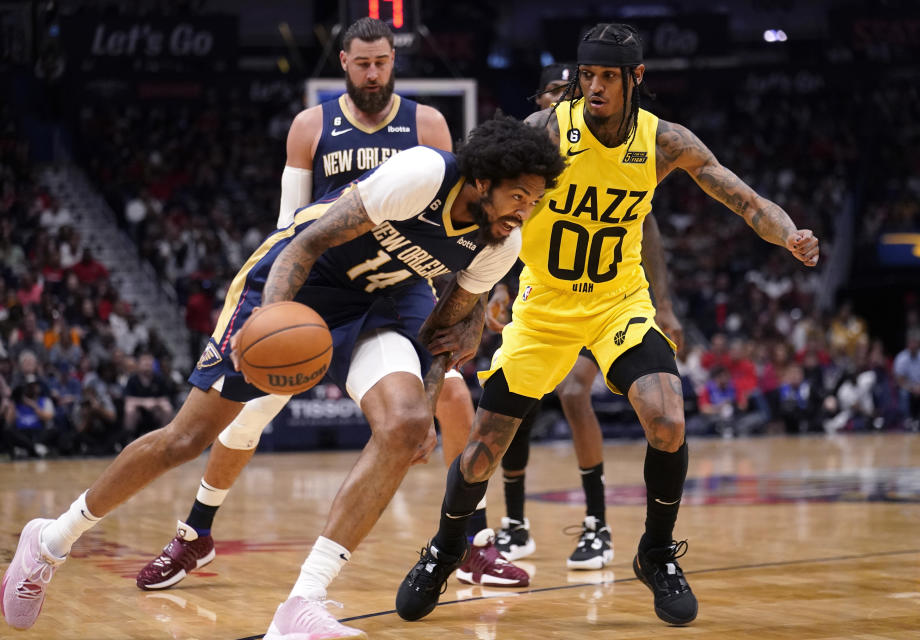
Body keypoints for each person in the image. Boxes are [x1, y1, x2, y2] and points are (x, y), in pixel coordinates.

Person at [0, 114, 566, 637]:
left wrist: (426, 393)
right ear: (482, 180)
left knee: (403, 425)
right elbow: (308, 241)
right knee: (186, 439)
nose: (527, 209)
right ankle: (51, 540)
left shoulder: (501, 241)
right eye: (520, 195)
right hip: (301, 283)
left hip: (386, 302)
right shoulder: (423, 173)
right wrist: (272, 318)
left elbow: (447, 332)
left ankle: (301, 603)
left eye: (537, 200)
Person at [395, 22, 819, 627]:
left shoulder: (663, 142)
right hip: (542, 310)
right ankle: (445, 549)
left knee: (668, 418)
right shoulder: (546, 131)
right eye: (586, 75)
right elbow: (483, 201)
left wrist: (790, 235)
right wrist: (471, 296)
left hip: (619, 304)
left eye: (607, 78)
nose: (593, 87)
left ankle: (655, 553)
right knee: (482, 451)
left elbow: (744, 199)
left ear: (634, 80)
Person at [134, 17, 523, 593]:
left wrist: (463, 307)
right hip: (325, 276)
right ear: (344, 62)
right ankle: (196, 533)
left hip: (398, 284)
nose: (373, 72)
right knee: (249, 410)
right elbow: (292, 225)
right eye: (363, 63)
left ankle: (471, 541)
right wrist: (280, 308)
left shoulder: (429, 124)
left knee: (453, 392)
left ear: (395, 60)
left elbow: (454, 221)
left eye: (383, 62)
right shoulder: (311, 125)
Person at [489, 61, 684, 570]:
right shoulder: (533, 156)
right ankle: (514, 522)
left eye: (566, 92)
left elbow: (648, 238)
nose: (562, 101)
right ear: (540, 102)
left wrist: (664, 306)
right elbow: (499, 230)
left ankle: (597, 523)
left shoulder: (615, 158)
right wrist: (491, 290)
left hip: (606, 301)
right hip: (544, 298)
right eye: (553, 93)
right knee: (518, 405)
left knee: (575, 393)